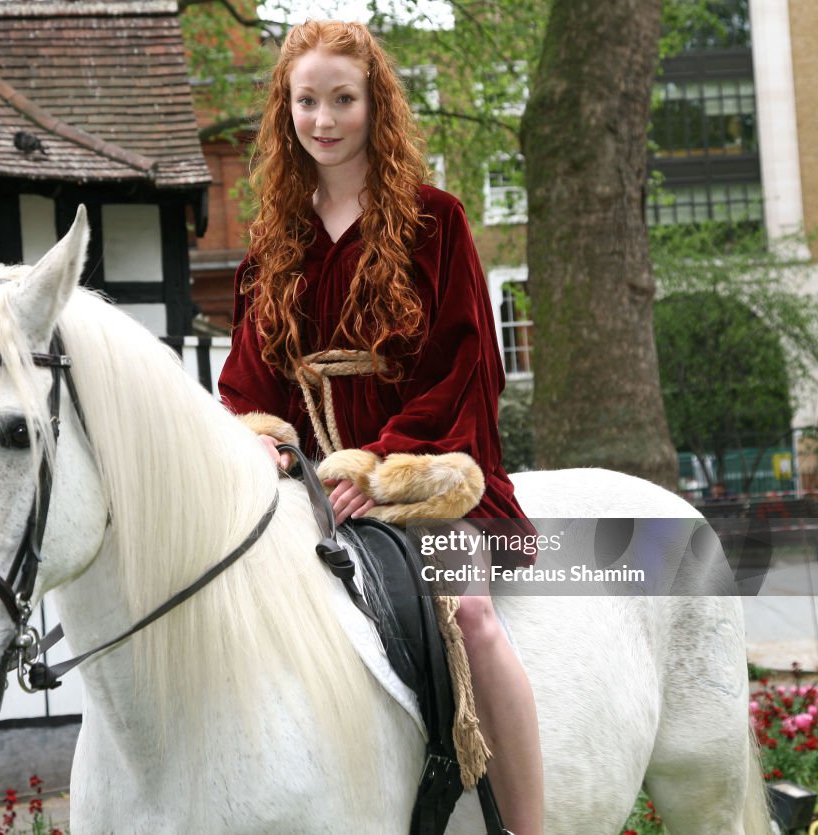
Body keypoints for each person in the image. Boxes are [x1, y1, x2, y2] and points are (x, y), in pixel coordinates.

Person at [218, 20, 544, 835]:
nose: (323, 120)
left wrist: (385, 463)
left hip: (426, 465)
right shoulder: (271, 247)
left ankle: (531, 828)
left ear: (375, 106)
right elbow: (247, 382)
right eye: (306, 102)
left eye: (343, 100)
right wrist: (256, 436)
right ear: (285, 110)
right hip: (310, 485)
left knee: (469, 612)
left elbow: (466, 366)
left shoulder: (437, 222)